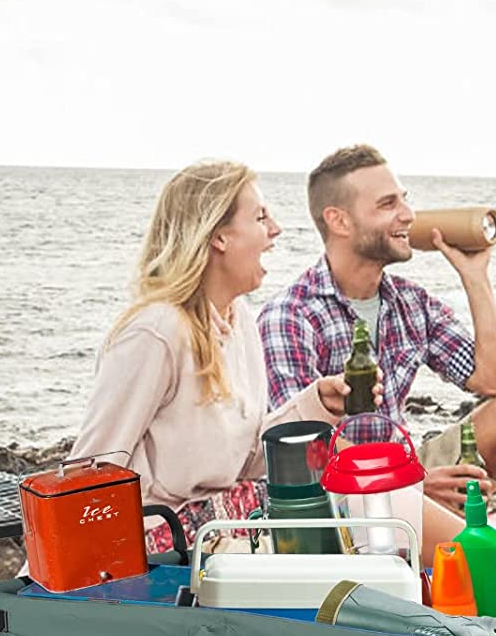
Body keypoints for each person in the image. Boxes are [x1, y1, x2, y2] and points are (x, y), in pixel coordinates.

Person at [259, 144, 496, 514]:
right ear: (339, 221)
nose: (408, 215)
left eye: (404, 200)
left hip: (401, 472)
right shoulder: (290, 315)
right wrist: (410, 485)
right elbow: (304, 446)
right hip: (334, 496)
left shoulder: (409, 302)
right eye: (388, 204)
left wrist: (476, 278)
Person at [70, 160, 360, 554]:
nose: (276, 229)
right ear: (219, 237)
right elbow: (91, 470)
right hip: (156, 549)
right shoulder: (157, 331)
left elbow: (244, 459)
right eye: (260, 217)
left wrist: (319, 404)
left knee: (355, 522)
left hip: (218, 534)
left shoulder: (238, 320)